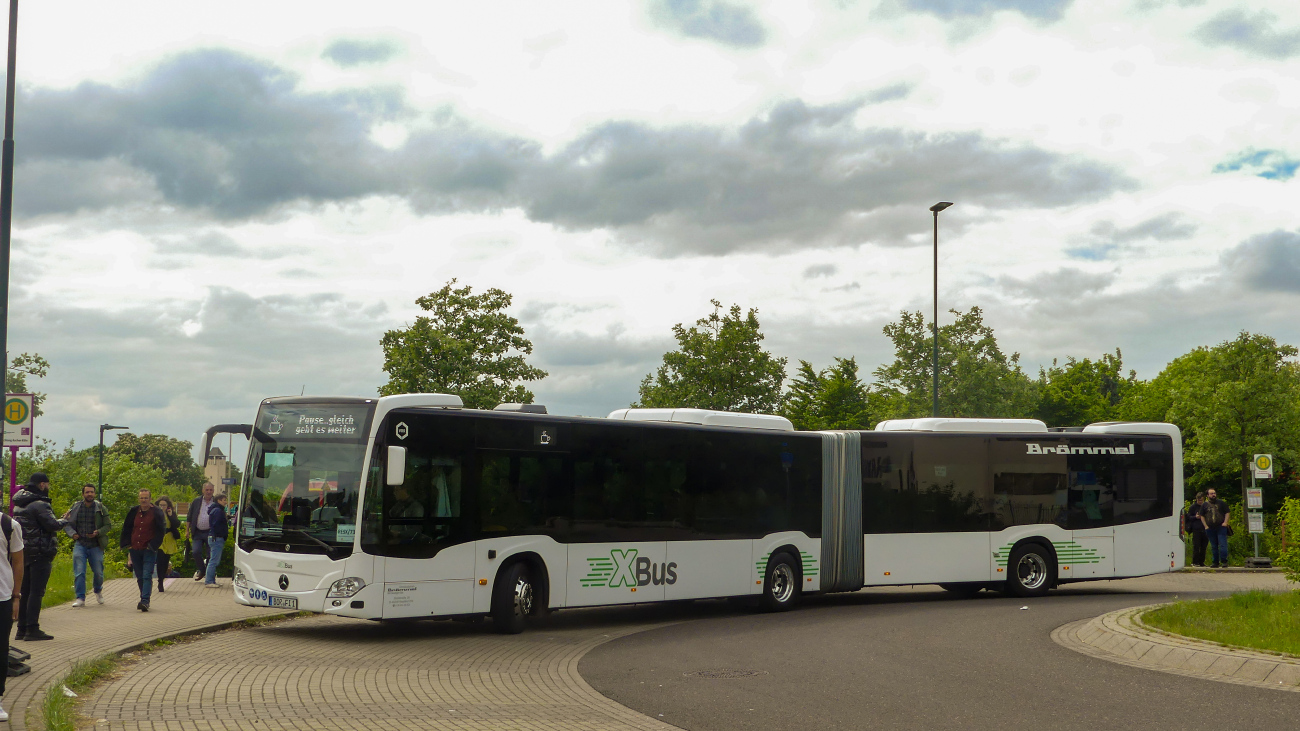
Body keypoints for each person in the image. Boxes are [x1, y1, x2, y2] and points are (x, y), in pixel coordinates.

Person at [13, 472, 67, 641]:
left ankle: (21, 629)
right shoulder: (40, 504)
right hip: (41, 552)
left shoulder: (19, 505)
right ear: (42, 484)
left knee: (25, 591)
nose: (48, 488)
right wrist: (65, 520)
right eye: (47, 484)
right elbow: (52, 525)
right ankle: (32, 629)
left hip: (25, 552)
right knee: (37, 592)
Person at [63, 483, 113, 607]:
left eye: (91, 492)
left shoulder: (100, 508)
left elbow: (108, 525)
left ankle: (97, 590)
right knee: (79, 571)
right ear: (83, 494)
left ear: (94, 494)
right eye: (87, 492)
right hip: (81, 543)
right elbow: (66, 523)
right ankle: (80, 597)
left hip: (95, 545)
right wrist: (73, 534)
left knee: (98, 572)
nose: (89, 494)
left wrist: (98, 532)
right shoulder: (76, 507)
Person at [120, 489, 167, 612]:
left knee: (147, 575)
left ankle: (145, 600)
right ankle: (143, 597)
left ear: (150, 499)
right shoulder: (133, 511)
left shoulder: (156, 512)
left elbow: (161, 530)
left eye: (146, 498)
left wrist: (152, 545)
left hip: (149, 549)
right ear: (138, 499)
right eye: (141, 498)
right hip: (135, 548)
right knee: (140, 576)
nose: (144, 500)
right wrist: (128, 545)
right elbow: (127, 528)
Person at [0, 506, 23, 722]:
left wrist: (16, 596)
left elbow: (18, 562)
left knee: (1, 648)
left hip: (2, 596)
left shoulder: (9, 525)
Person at [186, 482, 217, 581]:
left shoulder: (216, 502)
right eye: (207, 490)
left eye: (210, 490)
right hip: (198, 532)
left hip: (210, 532)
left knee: (209, 555)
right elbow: (189, 516)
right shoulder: (197, 501)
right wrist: (187, 530)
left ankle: (209, 575)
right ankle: (202, 570)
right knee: (195, 551)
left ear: (213, 491)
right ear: (203, 490)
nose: (208, 492)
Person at [154, 497, 182, 594]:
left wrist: (170, 516)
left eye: (164, 505)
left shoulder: (171, 514)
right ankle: (160, 581)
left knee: (166, 560)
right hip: (160, 539)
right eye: (160, 505)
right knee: (160, 559)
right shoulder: (155, 513)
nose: (162, 507)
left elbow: (177, 524)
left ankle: (163, 576)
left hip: (169, 538)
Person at [1200, 488, 1231, 569]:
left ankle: (1224, 561)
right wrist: (1205, 526)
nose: (1213, 495)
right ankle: (1215, 562)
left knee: (1223, 544)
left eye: (1214, 493)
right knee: (1214, 546)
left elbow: (1227, 512)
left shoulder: (1221, 503)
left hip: (1221, 527)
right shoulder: (1204, 505)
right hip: (1210, 528)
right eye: (1211, 493)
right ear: (1207, 495)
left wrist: (1225, 522)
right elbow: (1202, 516)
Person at [203, 494, 230, 588]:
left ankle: (212, 580)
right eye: (223, 500)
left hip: (214, 537)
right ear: (218, 500)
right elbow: (217, 524)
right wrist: (221, 534)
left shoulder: (214, 510)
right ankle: (209, 581)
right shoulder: (218, 511)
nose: (225, 502)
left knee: (213, 560)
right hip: (217, 538)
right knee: (213, 560)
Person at [1183, 492, 1208, 567]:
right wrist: (1195, 517)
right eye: (1199, 500)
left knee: (1204, 546)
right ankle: (1195, 561)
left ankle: (1202, 562)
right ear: (1196, 499)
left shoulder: (1206, 506)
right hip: (1196, 528)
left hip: (1205, 528)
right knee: (1196, 546)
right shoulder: (1193, 507)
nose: (1200, 502)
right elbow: (1188, 518)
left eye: (1201, 500)